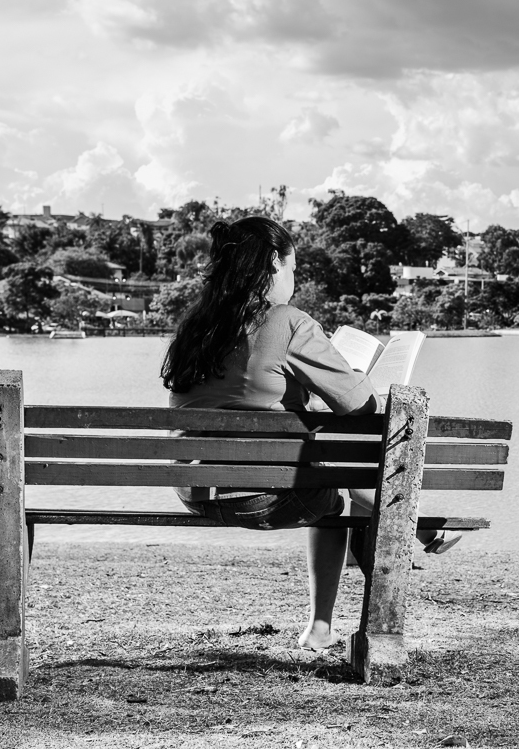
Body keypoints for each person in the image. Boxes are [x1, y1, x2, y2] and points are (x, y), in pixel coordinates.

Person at [160, 216, 456, 651]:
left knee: (329, 474)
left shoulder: (195, 326)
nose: (294, 282)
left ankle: (420, 528)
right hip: (259, 497)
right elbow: (363, 405)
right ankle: (334, 615)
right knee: (335, 492)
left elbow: (238, 394)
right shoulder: (288, 322)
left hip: (194, 493)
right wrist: (353, 374)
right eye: (294, 270)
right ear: (276, 263)